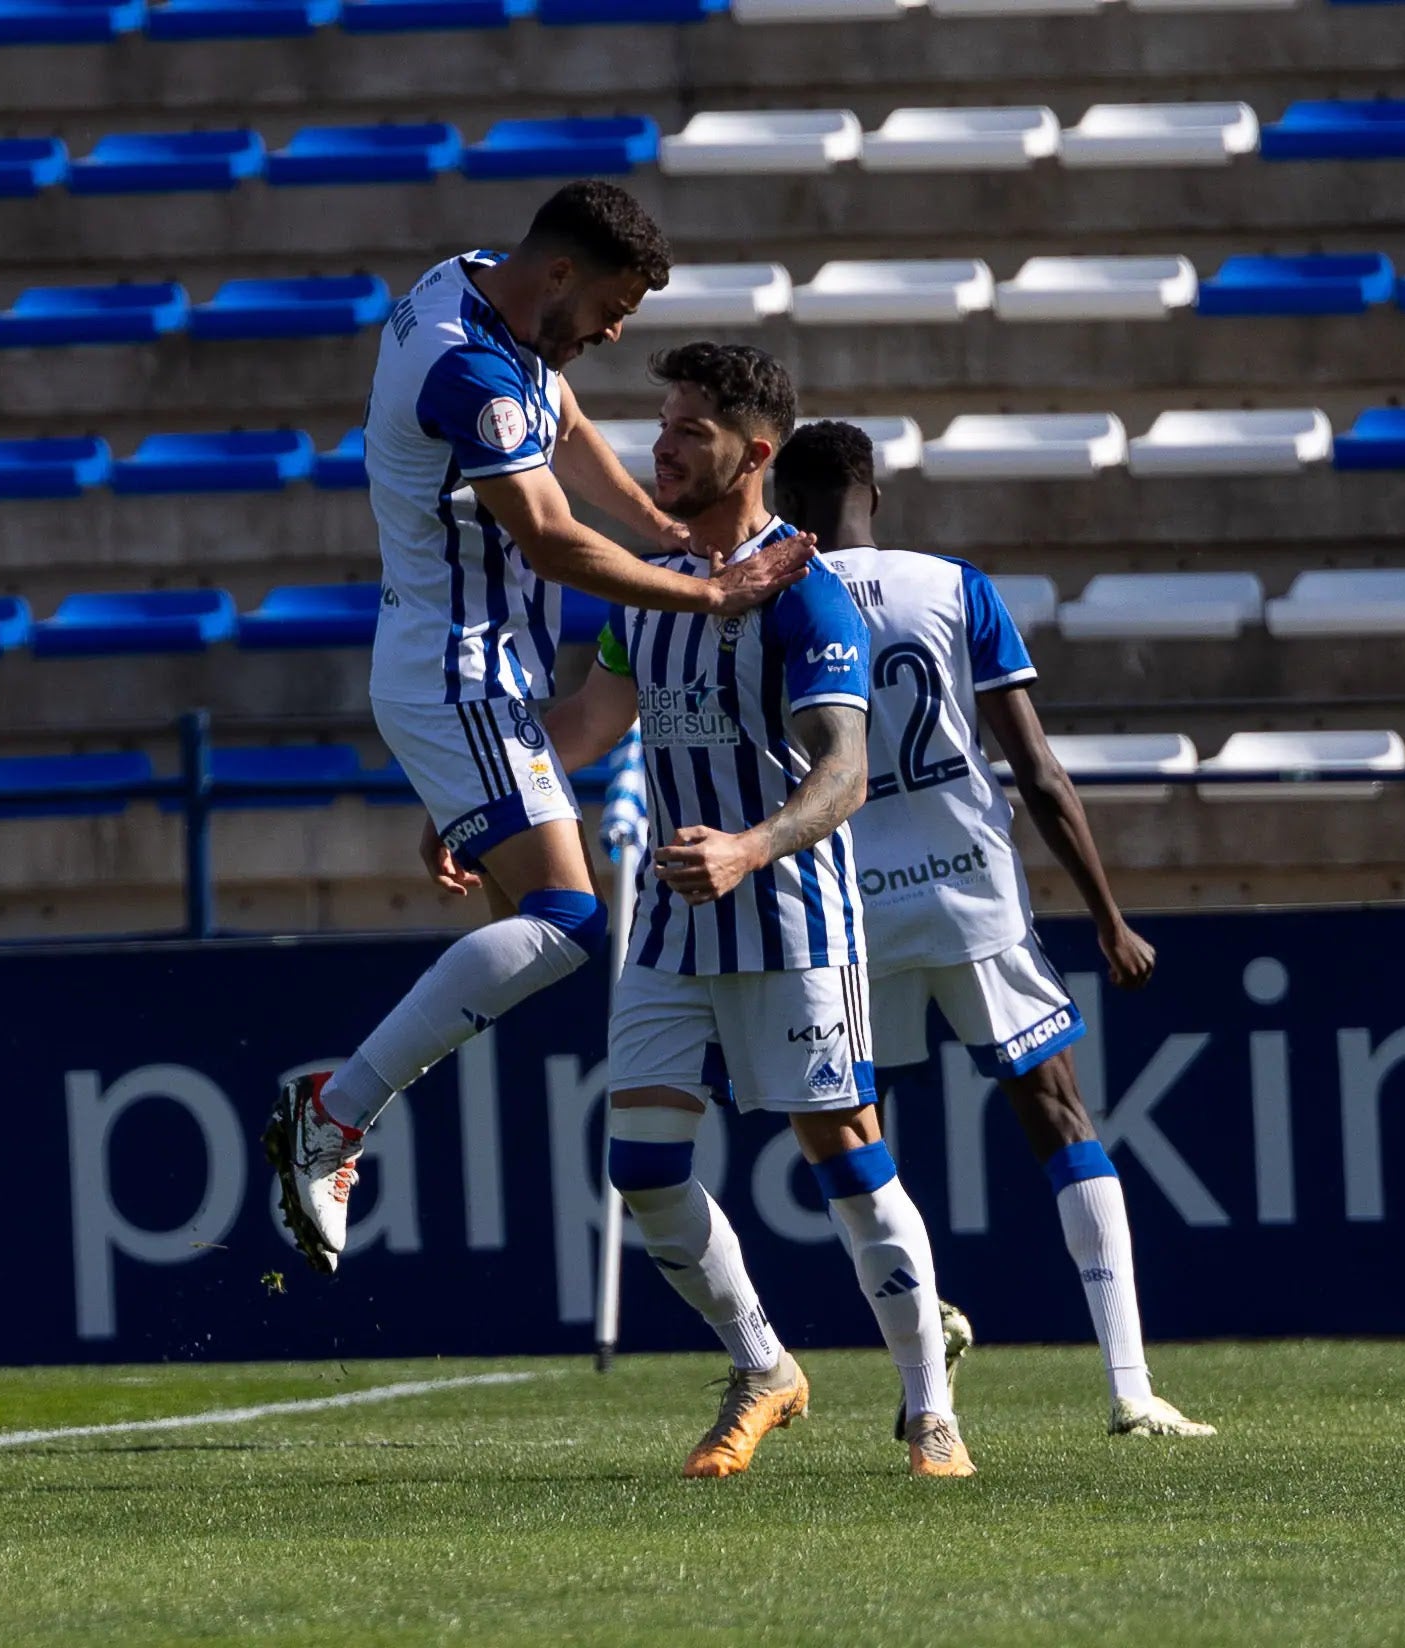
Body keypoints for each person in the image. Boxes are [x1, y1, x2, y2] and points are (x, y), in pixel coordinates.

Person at [442, 343, 972, 1478]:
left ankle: (932, 1411)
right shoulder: (656, 588)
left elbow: (844, 771)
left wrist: (749, 844)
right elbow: (584, 726)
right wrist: (479, 807)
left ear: (755, 453)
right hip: (676, 927)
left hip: (790, 914)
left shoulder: (807, 592)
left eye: (689, 430)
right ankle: (765, 1366)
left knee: (844, 1153)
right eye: (663, 422)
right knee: (641, 1164)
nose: (661, 446)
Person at [264, 184, 815, 1276]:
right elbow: (555, 541)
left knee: (542, 929)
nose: (617, 333)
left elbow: (557, 420)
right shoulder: (466, 369)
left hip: (483, 683)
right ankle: (331, 1110)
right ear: (560, 274)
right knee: (565, 922)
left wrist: (662, 531)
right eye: (613, 307)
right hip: (458, 675)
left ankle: (336, 1109)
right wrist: (710, 592)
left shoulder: (483, 290)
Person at [770, 420, 1214, 1440]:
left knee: (852, 1135)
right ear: (873, 493)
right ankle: (1130, 1387)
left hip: (852, 901)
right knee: (1058, 1112)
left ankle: (925, 1350)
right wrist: (1108, 917)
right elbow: (1041, 774)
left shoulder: (780, 594)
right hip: (971, 889)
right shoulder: (954, 585)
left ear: (790, 505)